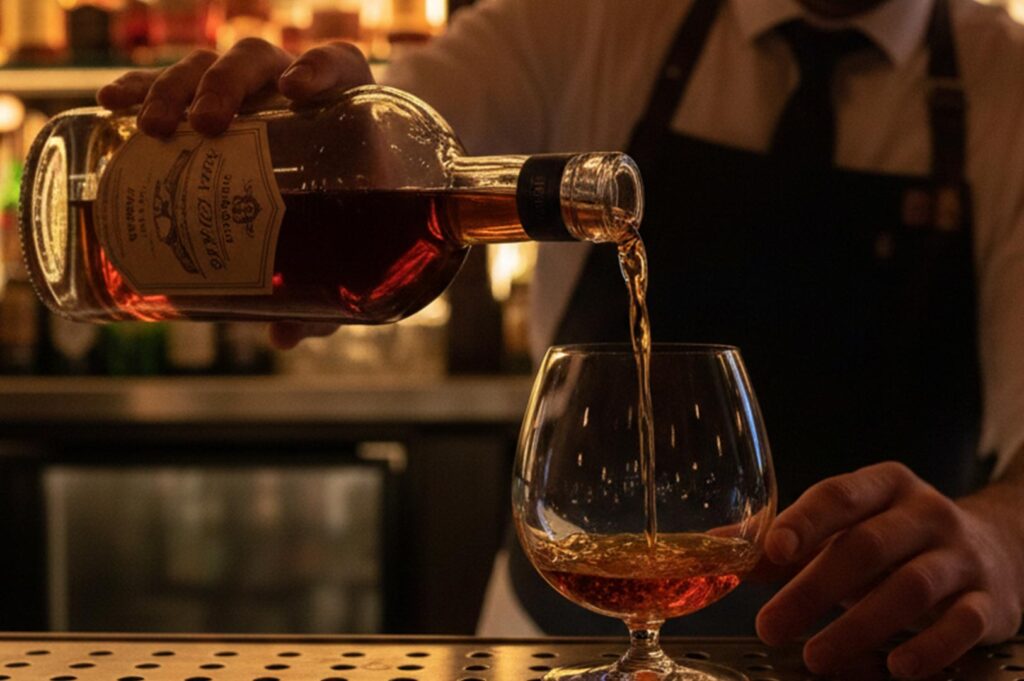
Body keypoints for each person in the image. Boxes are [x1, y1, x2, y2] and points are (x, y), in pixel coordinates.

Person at [96, 0, 1024, 677]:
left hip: (881, 661)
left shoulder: (1006, 85)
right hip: (557, 650)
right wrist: (297, 130)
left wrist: (1002, 535)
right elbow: (392, 143)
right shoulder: (584, 20)